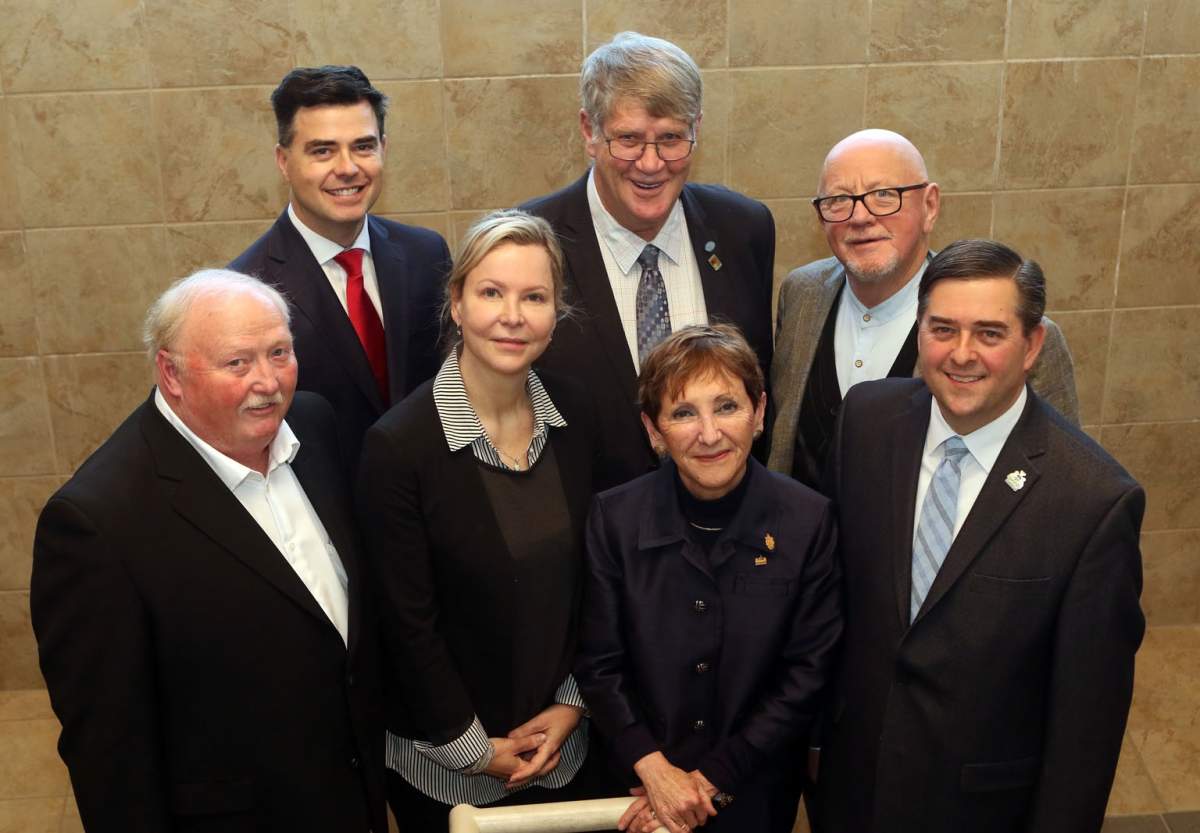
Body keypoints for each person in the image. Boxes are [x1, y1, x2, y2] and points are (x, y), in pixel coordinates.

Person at [30, 270, 384, 833]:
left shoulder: (314, 426)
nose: (268, 382)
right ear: (171, 373)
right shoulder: (95, 523)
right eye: (237, 363)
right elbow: (111, 755)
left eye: (279, 353)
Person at [817, 240, 1144, 833]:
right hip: (852, 787)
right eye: (943, 328)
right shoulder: (866, 421)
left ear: (1032, 345)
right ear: (920, 331)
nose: (961, 354)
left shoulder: (1093, 501)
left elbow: (1085, 729)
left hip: (980, 808)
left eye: (990, 334)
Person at [357, 210, 600, 829]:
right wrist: (472, 746)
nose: (512, 316)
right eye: (491, 292)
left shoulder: (577, 417)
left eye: (534, 296)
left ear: (556, 311)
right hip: (448, 772)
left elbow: (600, 581)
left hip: (562, 750)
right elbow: (405, 623)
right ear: (457, 304)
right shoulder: (399, 447)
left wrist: (573, 704)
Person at [576, 324, 842, 833]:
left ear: (759, 412)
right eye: (683, 413)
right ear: (654, 431)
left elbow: (807, 671)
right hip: (636, 794)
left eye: (726, 406)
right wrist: (653, 768)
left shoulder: (809, 521)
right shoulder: (614, 519)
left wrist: (713, 777)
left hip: (754, 794)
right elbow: (599, 663)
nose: (710, 433)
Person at [523, 32, 775, 491]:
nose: (651, 163)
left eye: (671, 139)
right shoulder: (531, 242)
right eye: (629, 139)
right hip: (584, 537)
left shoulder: (743, 229)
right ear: (589, 131)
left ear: (696, 128)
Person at [770, 129, 1080, 488]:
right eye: (839, 199)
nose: (860, 217)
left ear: (930, 206)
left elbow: (1061, 480)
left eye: (884, 195)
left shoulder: (1017, 336)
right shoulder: (801, 294)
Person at [231, 64, 449, 472]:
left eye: (363, 146)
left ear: (384, 147)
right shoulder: (246, 291)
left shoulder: (426, 254)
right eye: (322, 150)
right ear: (283, 160)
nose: (348, 167)